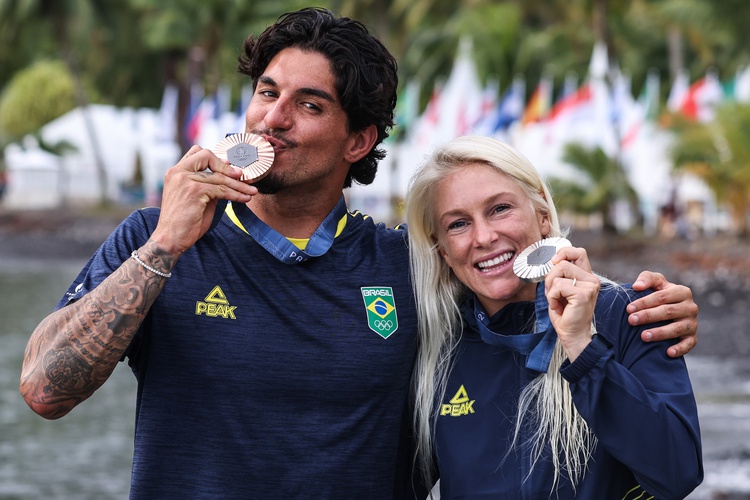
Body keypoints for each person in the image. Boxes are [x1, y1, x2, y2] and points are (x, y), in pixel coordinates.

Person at [20, 8, 698, 498]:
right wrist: (166, 245)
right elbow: (44, 391)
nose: (272, 119)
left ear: (356, 141)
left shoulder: (409, 267)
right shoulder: (156, 237)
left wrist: (642, 307)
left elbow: (512, 275)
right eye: (267, 92)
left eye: (308, 105)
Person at [405, 135, 703, 499]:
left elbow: (678, 473)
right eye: (458, 224)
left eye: (500, 208)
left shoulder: (631, 313)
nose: (483, 236)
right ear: (443, 251)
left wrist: (582, 348)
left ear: (543, 217)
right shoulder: (437, 347)